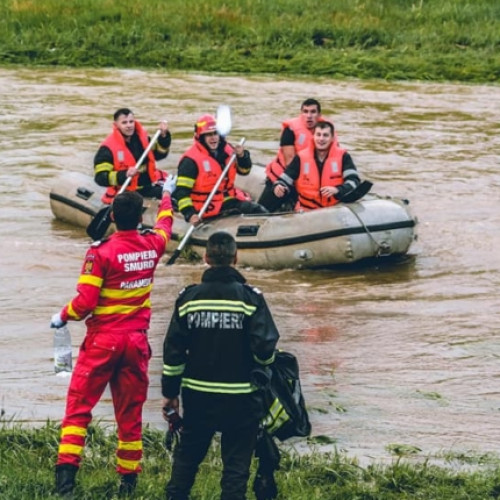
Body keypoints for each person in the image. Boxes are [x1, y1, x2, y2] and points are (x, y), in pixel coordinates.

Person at [49, 175, 177, 497]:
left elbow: (84, 304)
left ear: (113, 218)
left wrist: (62, 316)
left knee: (78, 410)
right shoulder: (152, 245)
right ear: (140, 217)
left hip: (103, 343)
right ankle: (127, 485)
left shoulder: (100, 253)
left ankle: (65, 485)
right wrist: (166, 196)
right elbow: (165, 226)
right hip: (136, 342)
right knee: (130, 416)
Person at [161, 231, 280, 500]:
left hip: (198, 396)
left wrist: (170, 394)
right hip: (242, 397)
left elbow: (173, 353)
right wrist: (263, 371)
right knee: (236, 466)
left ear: (205, 258)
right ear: (235, 258)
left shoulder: (189, 298)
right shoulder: (251, 299)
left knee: (187, 458)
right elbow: (265, 349)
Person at [173, 114, 267, 226]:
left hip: (226, 197)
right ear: (201, 137)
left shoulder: (228, 150)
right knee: (254, 209)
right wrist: (189, 213)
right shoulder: (190, 161)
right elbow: (182, 192)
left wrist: (242, 156)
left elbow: (244, 171)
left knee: (256, 208)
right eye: (208, 135)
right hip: (205, 204)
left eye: (215, 133)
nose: (213, 138)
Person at [257, 98, 338, 212]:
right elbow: (290, 163)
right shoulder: (290, 130)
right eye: (305, 112)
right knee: (262, 210)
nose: (309, 116)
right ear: (301, 113)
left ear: (319, 115)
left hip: (309, 182)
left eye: (313, 112)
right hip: (284, 178)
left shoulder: (327, 131)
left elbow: (335, 159)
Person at [273, 121, 360, 211]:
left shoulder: (343, 156)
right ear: (313, 136)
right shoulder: (301, 157)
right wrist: (279, 186)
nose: (321, 139)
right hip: (306, 210)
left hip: (334, 210)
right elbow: (284, 179)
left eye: (325, 135)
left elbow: (354, 181)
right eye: (318, 135)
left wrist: (337, 190)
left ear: (332, 138)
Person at [94, 108, 172, 204]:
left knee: (174, 193)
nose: (129, 126)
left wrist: (163, 138)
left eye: (131, 122)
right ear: (116, 125)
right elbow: (100, 177)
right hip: (127, 191)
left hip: (148, 187)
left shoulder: (143, 139)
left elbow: (159, 155)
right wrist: (124, 174)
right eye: (124, 123)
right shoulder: (107, 148)